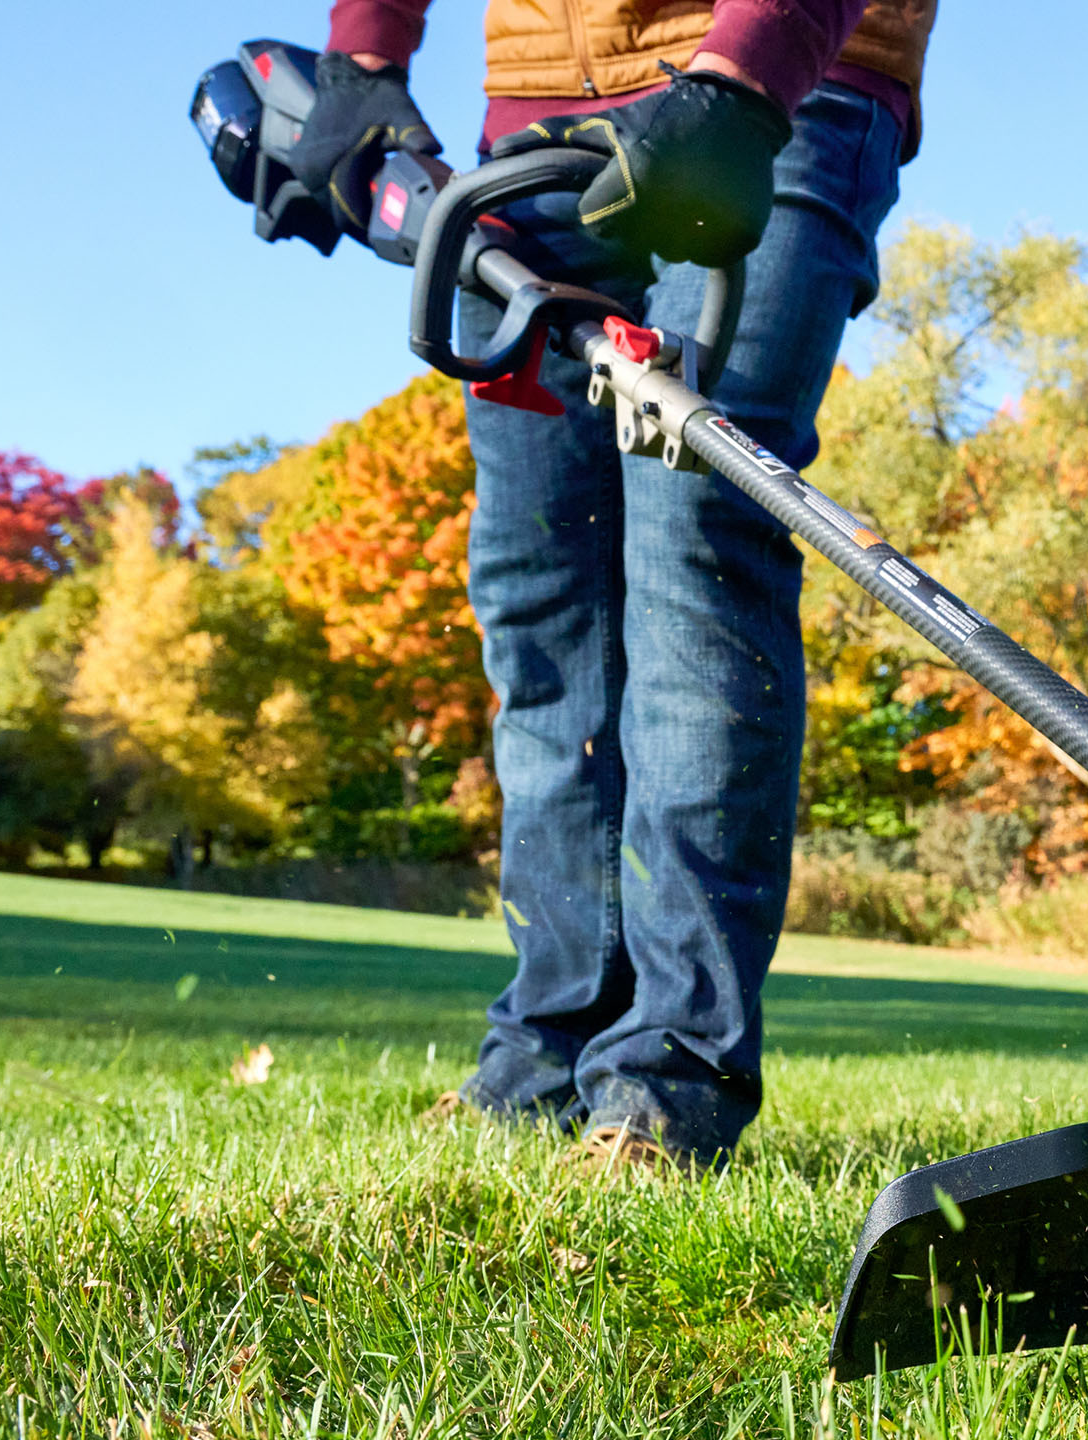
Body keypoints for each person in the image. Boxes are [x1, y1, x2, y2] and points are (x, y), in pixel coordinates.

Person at [290, 0, 936, 1169]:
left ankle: (665, 1083)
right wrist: (363, 52)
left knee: (696, 546)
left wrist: (743, 75)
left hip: (782, 91)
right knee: (541, 594)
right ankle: (543, 1054)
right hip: (541, 113)